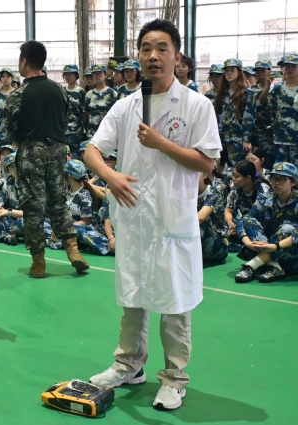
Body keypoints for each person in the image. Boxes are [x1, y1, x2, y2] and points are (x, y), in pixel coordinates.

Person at [84, 19, 221, 410]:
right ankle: (129, 365)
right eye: (146, 48)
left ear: (178, 57)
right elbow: (92, 150)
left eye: (162, 48)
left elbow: (207, 162)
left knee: (175, 301)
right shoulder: (126, 105)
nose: (153, 56)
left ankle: (175, 378)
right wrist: (110, 176)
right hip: (133, 218)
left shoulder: (196, 105)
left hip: (170, 219)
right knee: (132, 295)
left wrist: (162, 143)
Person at [3, 40, 89, 278]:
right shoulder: (59, 90)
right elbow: (65, 118)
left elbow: (10, 129)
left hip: (32, 151)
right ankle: (73, 250)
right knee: (58, 201)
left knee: (33, 205)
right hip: (58, 150)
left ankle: (39, 261)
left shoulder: (18, 95)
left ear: (24, 61)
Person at [235, 162, 298, 283]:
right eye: (274, 178)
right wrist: (246, 241)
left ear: (293, 182)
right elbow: (244, 220)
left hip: (292, 255)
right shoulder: (266, 198)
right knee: (249, 221)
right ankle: (274, 266)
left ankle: (251, 265)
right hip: (268, 249)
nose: (276, 183)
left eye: (282, 179)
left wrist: (275, 246)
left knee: (287, 228)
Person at [258, 54, 298, 165]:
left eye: (293, 66)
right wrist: (268, 85)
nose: (290, 69)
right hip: (281, 137)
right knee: (280, 169)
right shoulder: (278, 88)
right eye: (287, 66)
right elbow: (263, 102)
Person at [214, 58, 256, 164]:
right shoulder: (221, 94)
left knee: (237, 167)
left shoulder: (247, 94)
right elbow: (216, 116)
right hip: (221, 138)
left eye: (232, 70)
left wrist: (246, 139)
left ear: (239, 72)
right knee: (220, 167)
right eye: (226, 70)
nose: (229, 73)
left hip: (237, 138)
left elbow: (248, 117)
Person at [225, 160, 272, 243]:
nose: (233, 179)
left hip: (260, 225)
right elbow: (228, 210)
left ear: (248, 178)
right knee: (223, 225)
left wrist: (238, 226)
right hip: (243, 223)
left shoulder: (263, 190)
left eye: (236, 176)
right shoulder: (237, 188)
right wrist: (230, 224)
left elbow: (255, 217)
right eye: (233, 175)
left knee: (247, 223)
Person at [0, 152, 24, 246]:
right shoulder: (8, 183)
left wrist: (9, 212)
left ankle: (3, 234)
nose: (15, 169)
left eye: (17, 165)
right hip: (12, 219)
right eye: (11, 167)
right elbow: (2, 204)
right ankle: (7, 237)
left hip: (31, 219)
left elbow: (32, 213)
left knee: (25, 223)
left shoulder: (33, 184)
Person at [197, 171, 229, 263]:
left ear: (205, 174)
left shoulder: (213, 193)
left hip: (219, 245)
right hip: (199, 243)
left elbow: (200, 218)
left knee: (197, 224)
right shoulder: (187, 194)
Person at [84, 64, 118, 140]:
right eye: (94, 74)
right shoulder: (89, 94)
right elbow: (87, 113)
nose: (97, 76)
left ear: (105, 75)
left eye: (99, 73)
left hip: (107, 133)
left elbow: (116, 114)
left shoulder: (112, 93)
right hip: (92, 133)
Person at [62, 64, 87, 156]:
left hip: (77, 132)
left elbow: (85, 113)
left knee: (76, 157)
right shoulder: (62, 91)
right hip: (64, 131)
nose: (68, 76)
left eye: (70, 74)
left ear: (76, 75)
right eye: (66, 74)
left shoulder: (81, 92)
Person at [0, 67, 16, 144]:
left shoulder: (17, 94)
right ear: (0, 79)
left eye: (8, 76)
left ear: (12, 79)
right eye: (3, 76)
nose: (5, 79)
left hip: (14, 133)